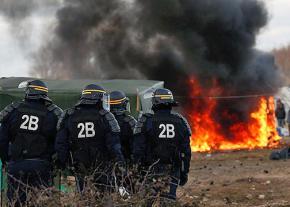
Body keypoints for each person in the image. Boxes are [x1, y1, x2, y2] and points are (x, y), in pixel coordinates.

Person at [0, 80, 62, 206]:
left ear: (28, 92)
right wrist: (56, 163)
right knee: (41, 202)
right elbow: (59, 143)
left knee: (15, 202)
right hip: (41, 165)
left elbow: (2, 139)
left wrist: (6, 159)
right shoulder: (53, 114)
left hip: (16, 164)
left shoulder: (13, 110)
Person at [55, 84, 125, 193]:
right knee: (105, 199)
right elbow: (114, 146)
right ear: (99, 98)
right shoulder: (106, 116)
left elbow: (61, 144)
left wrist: (62, 164)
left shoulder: (68, 115)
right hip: (102, 168)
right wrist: (120, 165)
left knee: (74, 198)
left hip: (76, 168)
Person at [133, 88, 191, 201]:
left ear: (154, 103)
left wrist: (138, 171)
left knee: (148, 200)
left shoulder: (145, 121)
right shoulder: (181, 121)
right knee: (168, 201)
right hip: (173, 169)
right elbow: (186, 152)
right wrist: (184, 173)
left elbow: (138, 149)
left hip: (150, 168)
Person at [109, 91, 137, 163]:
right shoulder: (130, 121)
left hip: (107, 162)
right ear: (124, 104)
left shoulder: (104, 121)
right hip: (126, 161)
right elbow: (136, 146)